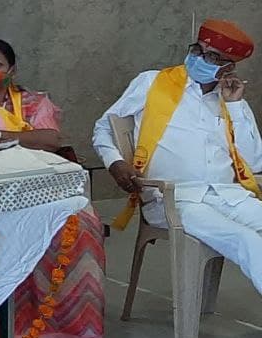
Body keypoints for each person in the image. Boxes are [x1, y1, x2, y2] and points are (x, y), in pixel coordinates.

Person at [0, 39, 104, 338]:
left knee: (82, 223)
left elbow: (51, 140)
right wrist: (25, 140)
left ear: (12, 70)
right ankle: (11, 332)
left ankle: (62, 331)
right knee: (10, 228)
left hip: (40, 188)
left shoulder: (34, 101)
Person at [96, 18, 262, 296]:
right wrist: (115, 162)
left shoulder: (231, 100)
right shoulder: (152, 82)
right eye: (197, 50)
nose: (199, 59)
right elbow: (103, 127)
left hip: (227, 195)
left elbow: (254, 163)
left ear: (228, 68)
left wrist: (235, 106)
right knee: (244, 239)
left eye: (212, 57)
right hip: (173, 199)